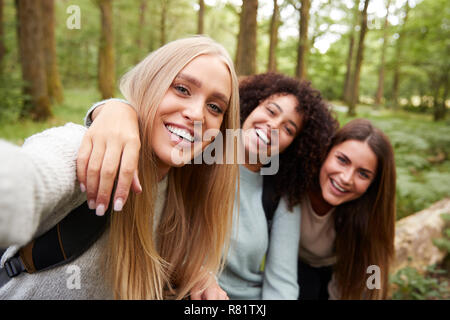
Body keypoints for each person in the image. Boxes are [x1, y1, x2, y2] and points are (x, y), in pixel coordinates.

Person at [0, 36, 241, 300]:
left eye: (215, 107)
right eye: (182, 89)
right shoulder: (86, 151)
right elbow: (25, 182)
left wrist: (198, 274)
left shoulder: (183, 190)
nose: (196, 114)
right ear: (150, 84)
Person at [78, 72, 337, 299]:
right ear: (250, 106)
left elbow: (282, 284)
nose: (273, 126)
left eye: (288, 129)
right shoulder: (195, 153)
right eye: (270, 111)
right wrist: (112, 109)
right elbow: (145, 128)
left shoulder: (280, 197)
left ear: (293, 146)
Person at [296, 118, 396, 300]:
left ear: (373, 185)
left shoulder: (367, 214)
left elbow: (372, 276)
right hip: (291, 269)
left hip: (337, 273)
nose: (346, 178)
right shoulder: (296, 183)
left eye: (363, 174)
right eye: (342, 160)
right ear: (326, 151)